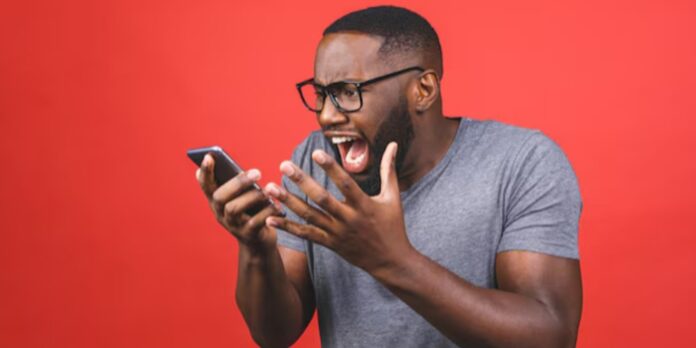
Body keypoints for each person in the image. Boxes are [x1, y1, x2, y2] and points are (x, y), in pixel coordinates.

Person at [196, 5, 583, 347]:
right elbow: (275, 333)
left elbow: (550, 334)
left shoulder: (522, 163)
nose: (327, 116)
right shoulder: (316, 162)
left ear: (423, 90)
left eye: (348, 91)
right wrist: (257, 251)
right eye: (320, 94)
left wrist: (391, 261)